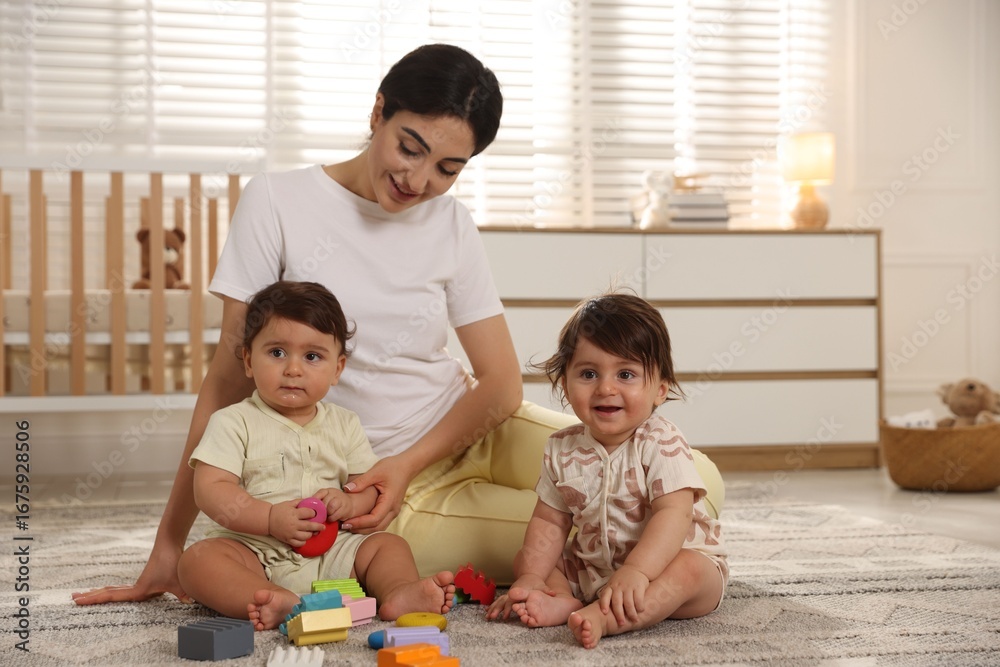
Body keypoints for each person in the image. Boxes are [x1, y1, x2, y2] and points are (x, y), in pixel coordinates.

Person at [72, 43, 725, 609]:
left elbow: (500, 384)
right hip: (375, 487)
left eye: (448, 168)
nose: (418, 179)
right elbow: (225, 379)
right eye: (410, 147)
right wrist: (169, 545)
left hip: (459, 433)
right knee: (618, 527)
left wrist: (409, 462)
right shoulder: (277, 201)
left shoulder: (451, 223)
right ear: (378, 111)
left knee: (699, 480)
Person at [176, 280, 454, 629]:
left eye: (312, 357)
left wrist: (349, 503)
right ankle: (271, 597)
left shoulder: (344, 424)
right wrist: (269, 518)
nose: (293, 369)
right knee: (196, 562)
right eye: (277, 353)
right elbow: (210, 489)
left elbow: (368, 487)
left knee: (388, 546)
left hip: (332, 550)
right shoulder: (233, 421)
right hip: (254, 550)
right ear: (248, 360)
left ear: (337, 369)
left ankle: (398, 592)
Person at [485, 293, 728, 649]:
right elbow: (550, 522)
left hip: (667, 565)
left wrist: (637, 571)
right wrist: (532, 576)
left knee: (689, 570)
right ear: (565, 384)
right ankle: (561, 599)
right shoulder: (561, 448)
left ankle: (610, 619)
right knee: (529, 558)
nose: (606, 388)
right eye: (588, 374)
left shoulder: (660, 440)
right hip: (595, 569)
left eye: (626, 374)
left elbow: (673, 514)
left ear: (660, 390)